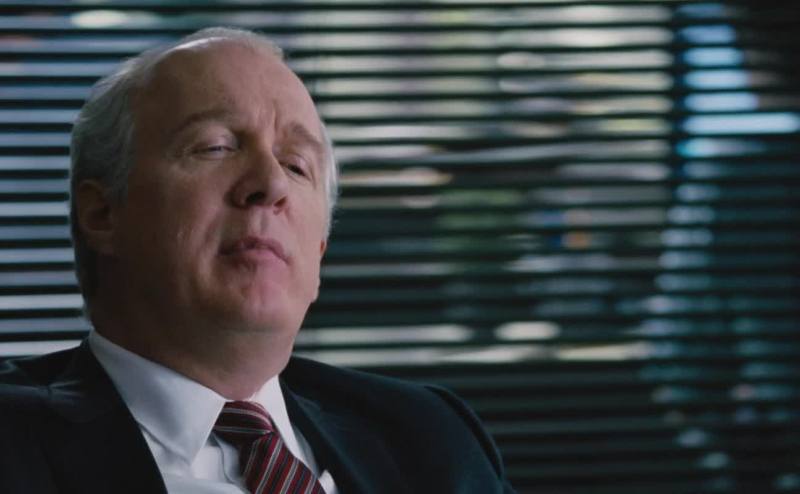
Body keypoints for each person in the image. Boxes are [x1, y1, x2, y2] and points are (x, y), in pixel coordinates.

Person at [0, 27, 516, 494]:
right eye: (216, 147)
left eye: (296, 165)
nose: (270, 184)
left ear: (319, 251)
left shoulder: (429, 438)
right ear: (102, 213)